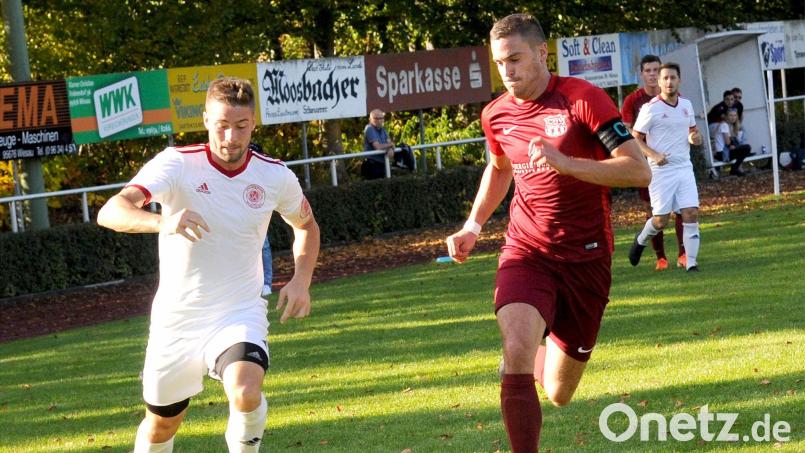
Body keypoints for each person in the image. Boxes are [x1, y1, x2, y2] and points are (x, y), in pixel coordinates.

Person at [445, 14, 651, 452]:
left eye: (516, 59)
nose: (508, 71)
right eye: (500, 63)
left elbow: (639, 170)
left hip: (586, 257)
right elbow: (499, 168)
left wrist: (568, 163)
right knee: (516, 347)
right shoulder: (495, 114)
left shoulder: (583, 99)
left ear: (542, 53)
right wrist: (473, 225)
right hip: (526, 248)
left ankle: (533, 357)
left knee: (558, 393)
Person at [97, 77, 320, 453]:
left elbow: (307, 226)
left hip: (238, 311)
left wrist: (301, 280)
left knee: (246, 390)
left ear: (254, 124)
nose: (231, 137)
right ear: (204, 120)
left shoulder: (274, 175)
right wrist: (163, 222)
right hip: (177, 318)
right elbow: (111, 211)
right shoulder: (177, 164)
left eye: (241, 126)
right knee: (161, 425)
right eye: (222, 125)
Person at [629, 63, 704, 273]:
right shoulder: (650, 108)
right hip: (660, 171)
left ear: (679, 80)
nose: (669, 82)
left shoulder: (686, 105)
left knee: (690, 212)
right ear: (660, 82)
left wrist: (695, 138)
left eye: (673, 77)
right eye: (665, 78)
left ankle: (691, 262)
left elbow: (692, 132)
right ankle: (641, 239)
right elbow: (634, 139)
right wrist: (654, 155)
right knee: (661, 220)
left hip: (684, 168)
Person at [621, 54, 686, 271]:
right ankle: (661, 257)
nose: (652, 75)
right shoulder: (633, 101)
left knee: (682, 209)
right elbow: (628, 131)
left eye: (656, 70)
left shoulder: (674, 98)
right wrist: (648, 152)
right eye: (648, 71)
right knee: (656, 213)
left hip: (675, 164)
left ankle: (684, 254)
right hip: (646, 164)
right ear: (642, 74)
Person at [361, 109, 414, 179]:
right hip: (372, 165)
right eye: (376, 118)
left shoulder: (383, 129)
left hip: (382, 164)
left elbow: (389, 142)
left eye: (381, 118)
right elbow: (377, 147)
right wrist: (390, 145)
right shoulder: (369, 128)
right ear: (370, 119)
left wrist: (390, 148)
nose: (379, 120)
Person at [712, 108, 752, 176]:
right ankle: (734, 169)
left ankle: (735, 169)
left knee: (743, 150)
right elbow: (727, 142)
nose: (733, 117)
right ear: (726, 116)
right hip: (722, 154)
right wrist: (732, 145)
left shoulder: (728, 125)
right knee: (747, 148)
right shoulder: (724, 125)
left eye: (734, 115)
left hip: (724, 153)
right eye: (730, 115)